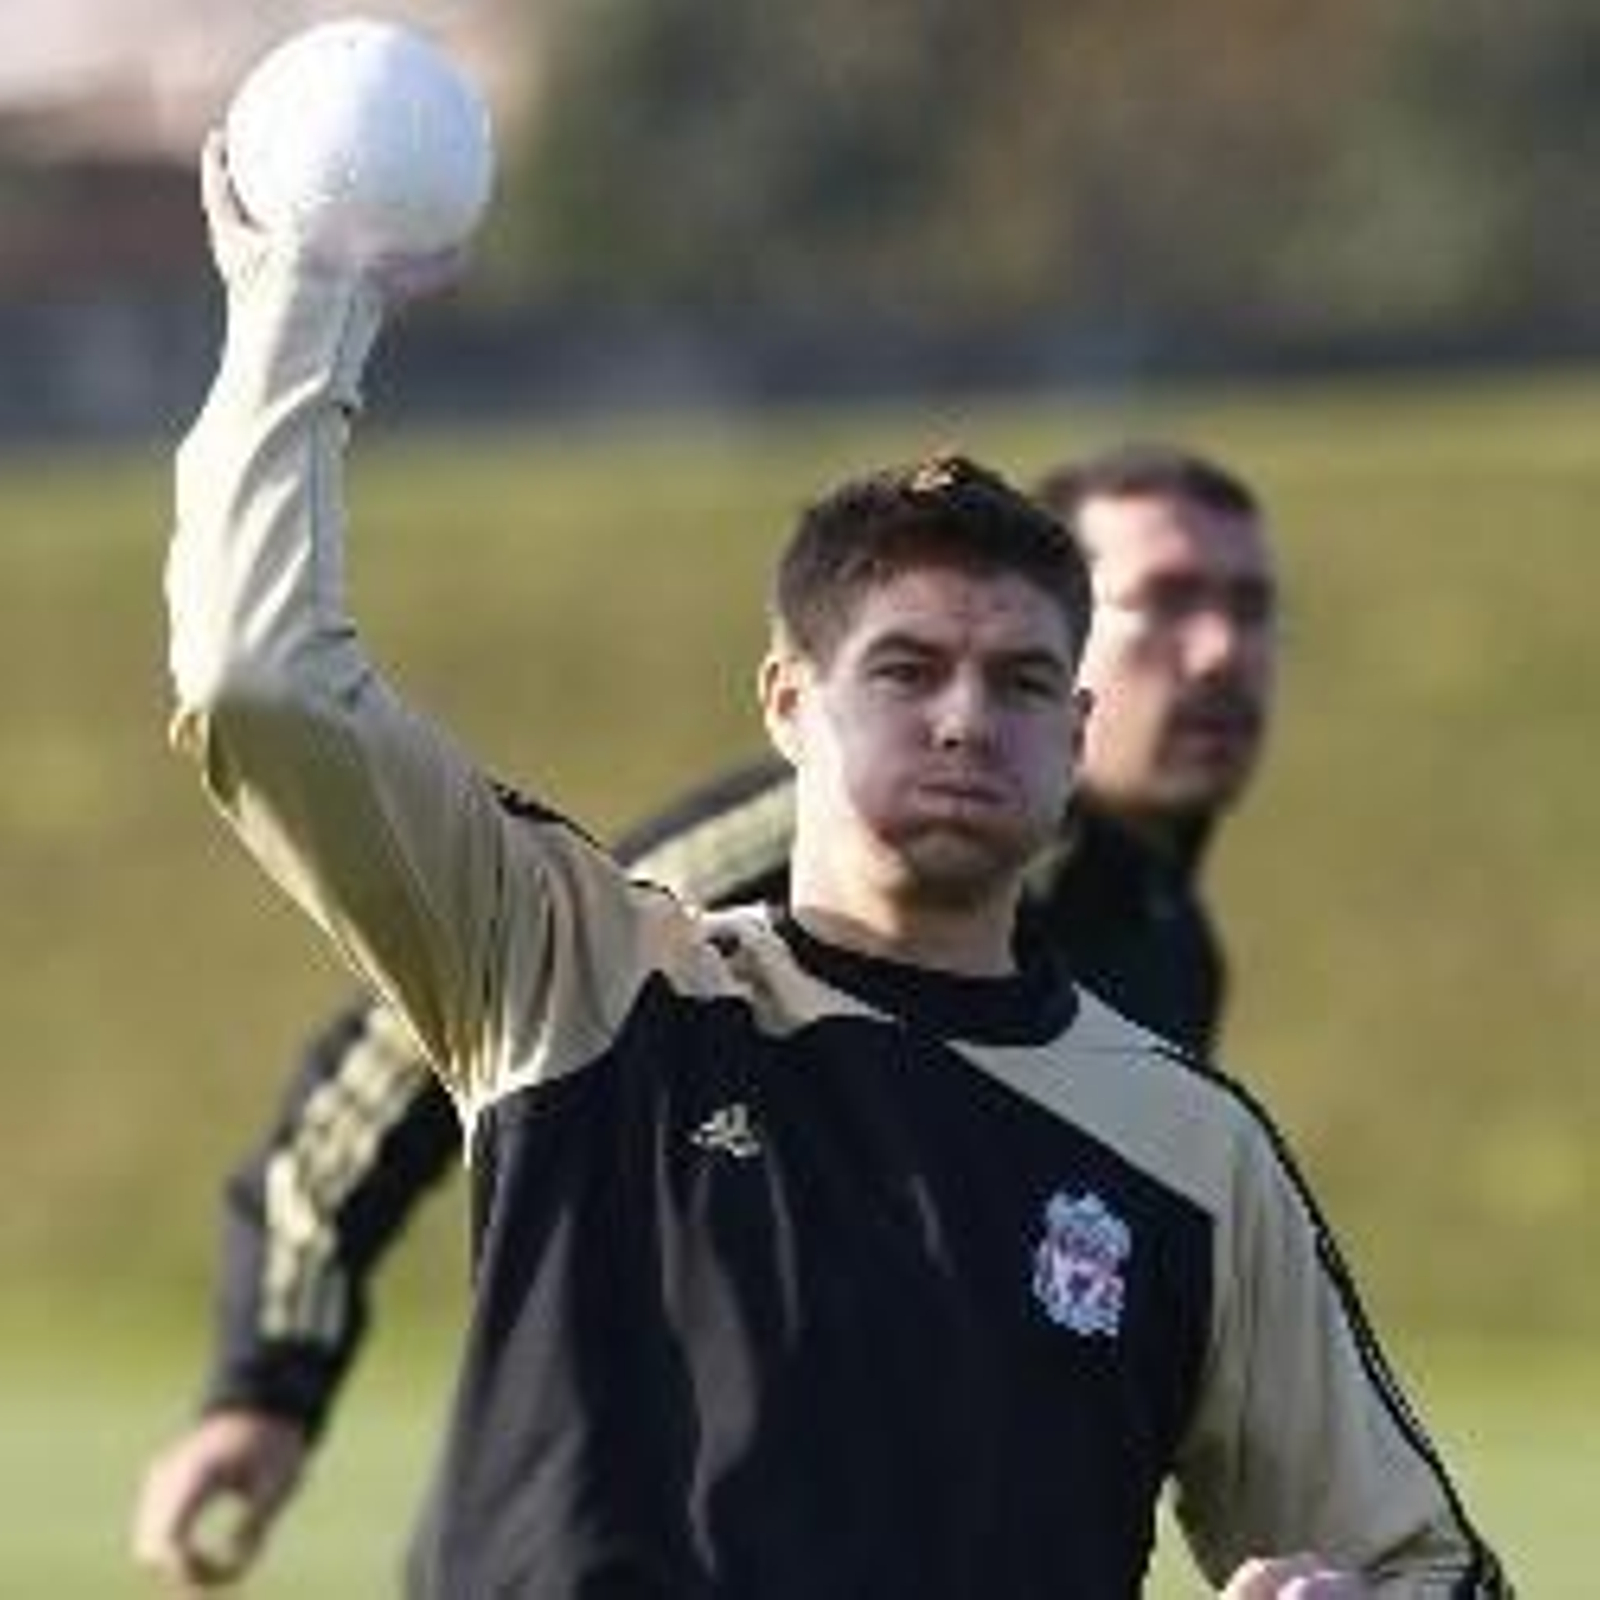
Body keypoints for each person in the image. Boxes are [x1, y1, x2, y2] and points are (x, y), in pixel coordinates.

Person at [158, 132, 1509, 1596]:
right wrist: (303, 302)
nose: (961, 721)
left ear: (1076, 733)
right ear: (789, 706)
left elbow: (1423, 1564)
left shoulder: (1195, 1151)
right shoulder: (584, 972)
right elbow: (261, 682)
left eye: (1017, 685)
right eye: (907, 669)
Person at [133, 441, 1274, 1592]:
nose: (1222, 653)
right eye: (1169, 602)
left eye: (1249, 606)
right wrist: (271, 1376)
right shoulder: (807, 840)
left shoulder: (1169, 959)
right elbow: (417, 1038)